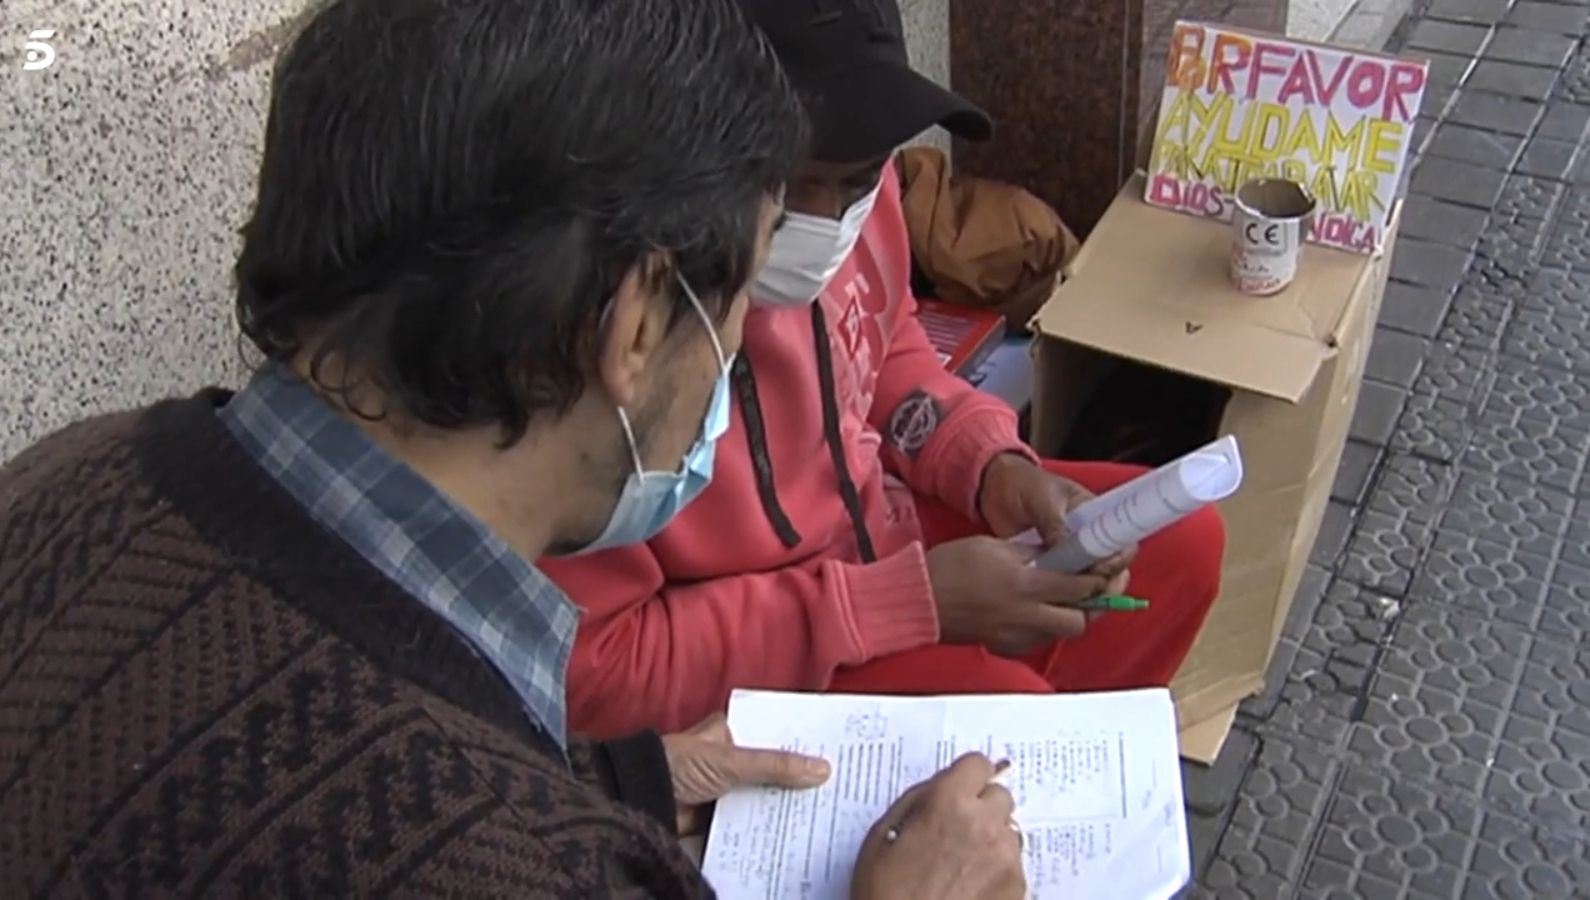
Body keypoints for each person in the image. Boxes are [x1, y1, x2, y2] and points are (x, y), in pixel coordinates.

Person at [0, 0, 1025, 896]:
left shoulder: (68, 475)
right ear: (633, 329)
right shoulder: (515, 854)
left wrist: (620, 778)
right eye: (743, 291)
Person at [540, 0, 1228, 740]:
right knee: (1011, 717)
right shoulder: (599, 355)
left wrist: (989, 463)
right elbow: (601, 672)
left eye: (862, 178)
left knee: (1182, 546)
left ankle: (1069, 772)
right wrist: (909, 604)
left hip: (874, 536)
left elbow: (886, 337)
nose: (832, 218)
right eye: (794, 184)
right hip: (755, 655)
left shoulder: (864, 206)